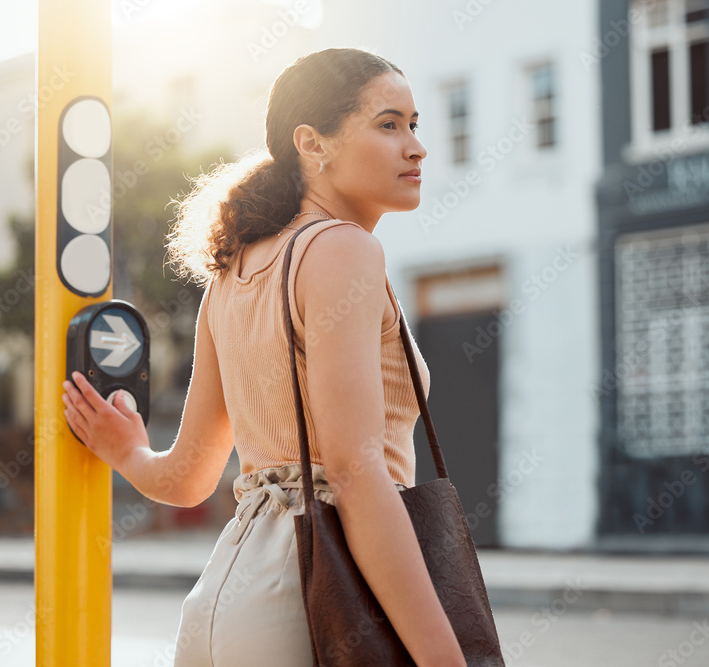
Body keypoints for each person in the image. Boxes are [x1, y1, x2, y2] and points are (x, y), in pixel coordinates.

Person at [60, 47, 468, 666]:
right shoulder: (343, 250)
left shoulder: (231, 276)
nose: (416, 147)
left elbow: (189, 479)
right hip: (315, 607)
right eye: (388, 125)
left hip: (226, 600)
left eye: (415, 125)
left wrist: (128, 452)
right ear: (313, 143)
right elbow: (356, 474)